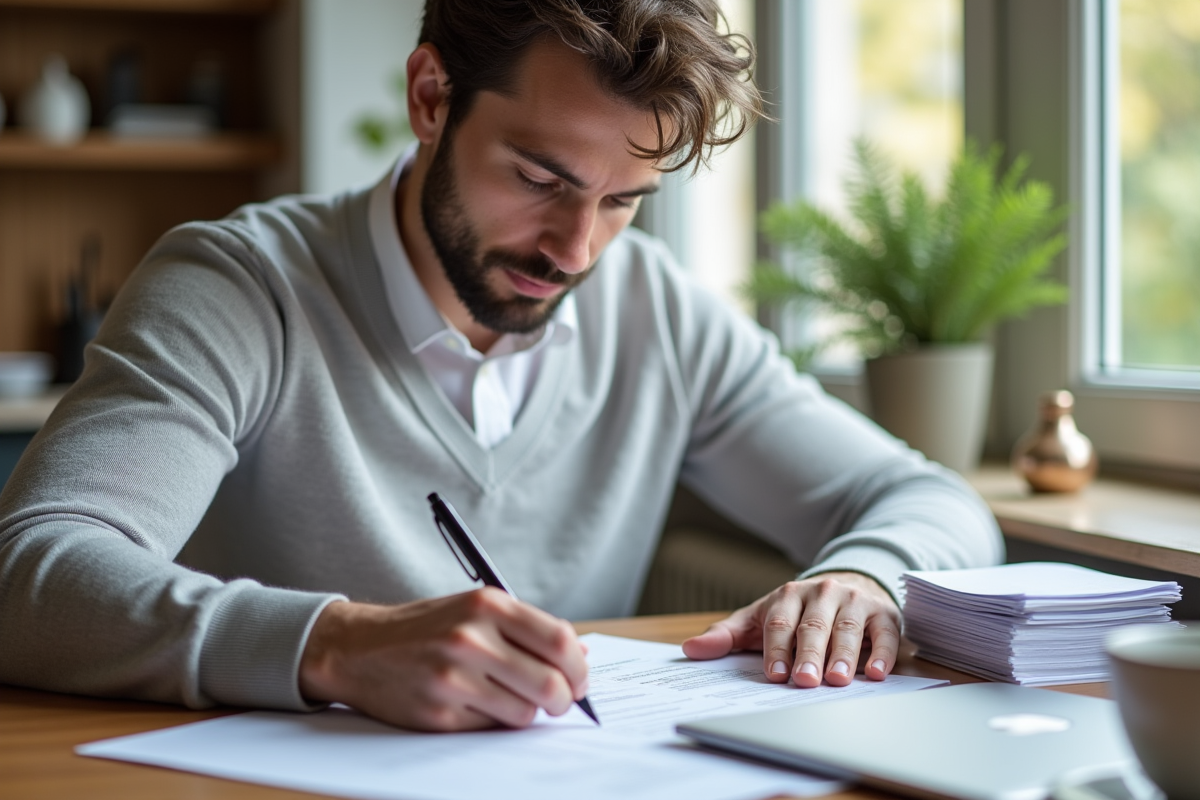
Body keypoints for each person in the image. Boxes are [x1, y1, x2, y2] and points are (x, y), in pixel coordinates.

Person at [0, 0, 1002, 732]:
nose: (576, 250)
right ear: (430, 96)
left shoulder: (656, 312)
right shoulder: (239, 288)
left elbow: (931, 499)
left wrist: (863, 577)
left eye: (624, 200)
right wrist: (333, 643)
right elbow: (30, 573)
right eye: (539, 178)